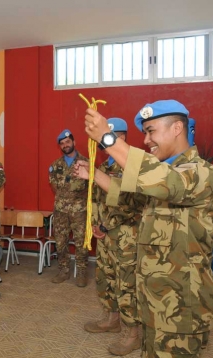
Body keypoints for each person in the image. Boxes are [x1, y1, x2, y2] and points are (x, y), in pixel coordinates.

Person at [76, 100, 213, 357]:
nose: (146, 140)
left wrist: (107, 139)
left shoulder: (201, 173)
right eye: (144, 132)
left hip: (181, 307)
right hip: (153, 301)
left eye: (151, 131)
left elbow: (169, 183)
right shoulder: (160, 174)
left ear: (177, 128)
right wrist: (95, 175)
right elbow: (127, 196)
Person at [80, 118, 146, 356]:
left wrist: (106, 226)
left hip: (126, 237)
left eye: (105, 136)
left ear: (122, 138)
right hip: (106, 235)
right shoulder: (105, 166)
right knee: (106, 279)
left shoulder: (132, 167)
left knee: (126, 284)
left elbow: (129, 205)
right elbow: (99, 201)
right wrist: (97, 226)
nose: (100, 143)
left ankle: (133, 335)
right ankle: (112, 319)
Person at [48, 129, 89, 286]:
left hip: (79, 210)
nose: (65, 145)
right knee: (61, 242)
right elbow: (53, 186)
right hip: (60, 210)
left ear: (74, 142)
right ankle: (63, 270)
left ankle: (82, 272)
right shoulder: (55, 166)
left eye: (67, 142)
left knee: (81, 242)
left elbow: (90, 186)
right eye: (62, 143)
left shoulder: (85, 162)